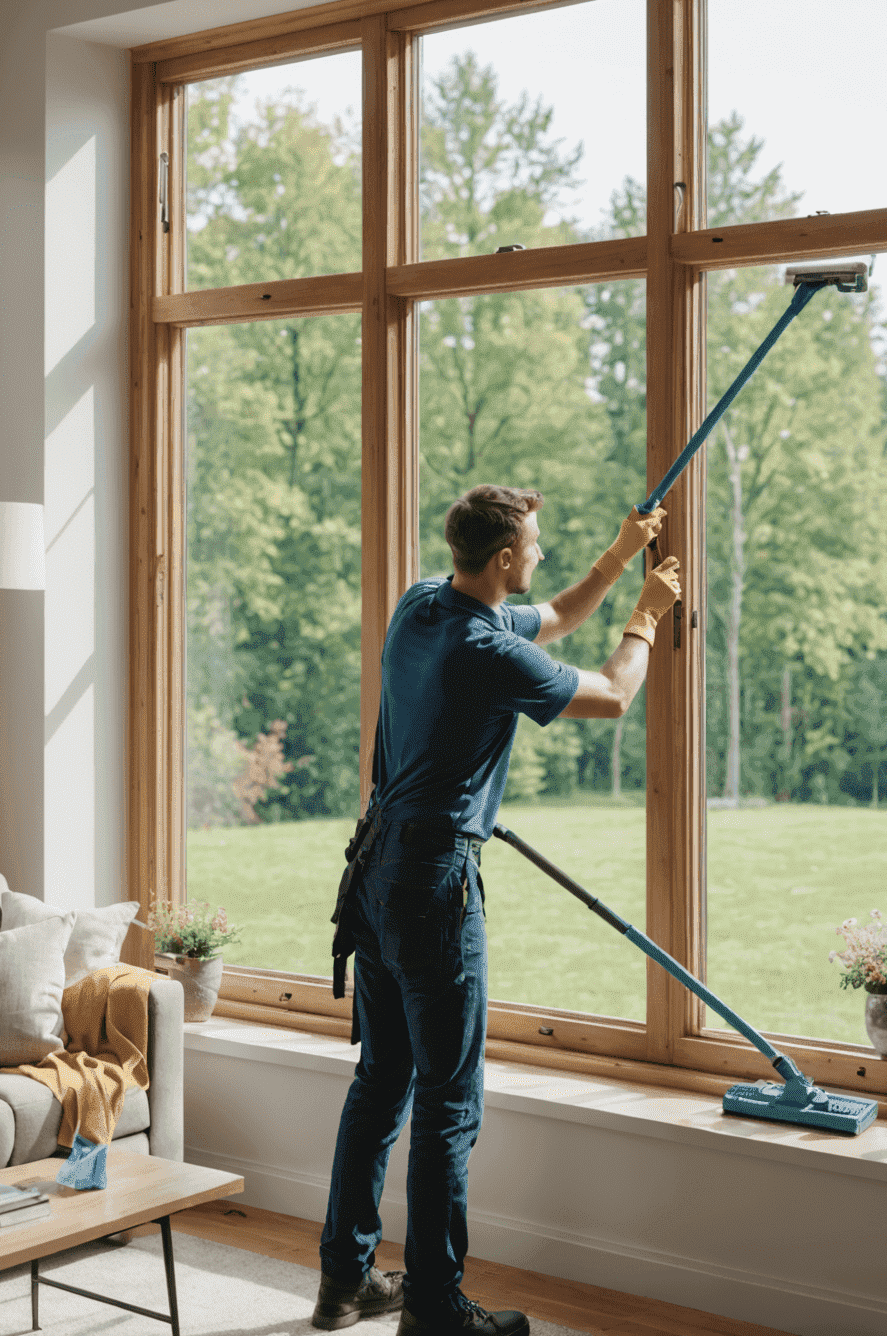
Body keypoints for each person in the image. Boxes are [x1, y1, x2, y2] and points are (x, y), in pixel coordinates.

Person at [313, 484, 681, 1336]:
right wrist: (648, 617)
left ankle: (343, 1283)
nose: (541, 554)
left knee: (380, 1084)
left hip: (377, 873)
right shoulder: (484, 651)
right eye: (535, 544)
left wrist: (621, 555)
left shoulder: (424, 605)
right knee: (449, 1100)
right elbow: (614, 694)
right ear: (504, 560)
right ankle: (438, 1311)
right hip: (436, 883)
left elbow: (550, 618)